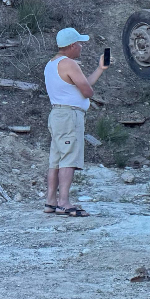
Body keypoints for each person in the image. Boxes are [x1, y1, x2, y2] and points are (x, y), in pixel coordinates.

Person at [43, 28, 108, 217]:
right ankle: (64, 202)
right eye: (79, 43)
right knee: (68, 159)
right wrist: (87, 90)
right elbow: (87, 91)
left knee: (55, 160)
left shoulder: (51, 64)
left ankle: (51, 201)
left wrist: (100, 69)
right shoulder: (69, 63)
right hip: (69, 116)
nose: (81, 47)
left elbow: (81, 85)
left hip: (57, 115)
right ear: (72, 46)